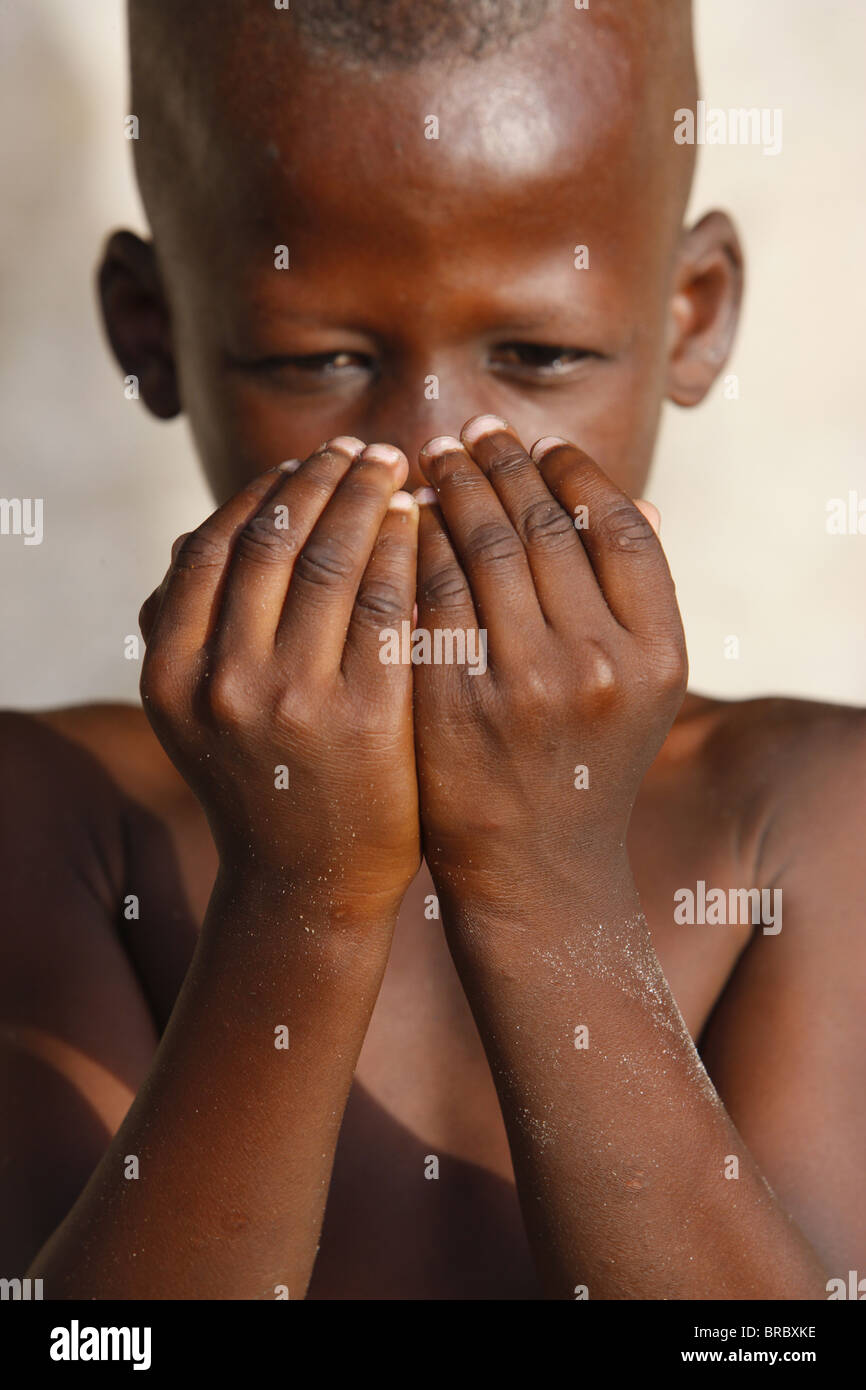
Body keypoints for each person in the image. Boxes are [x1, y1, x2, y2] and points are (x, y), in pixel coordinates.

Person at [3, 0, 862, 1299]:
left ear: (690, 315)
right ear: (150, 329)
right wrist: (303, 896)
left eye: (537, 353)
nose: (423, 454)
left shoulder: (807, 814)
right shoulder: (55, 816)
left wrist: (543, 881)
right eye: (316, 358)